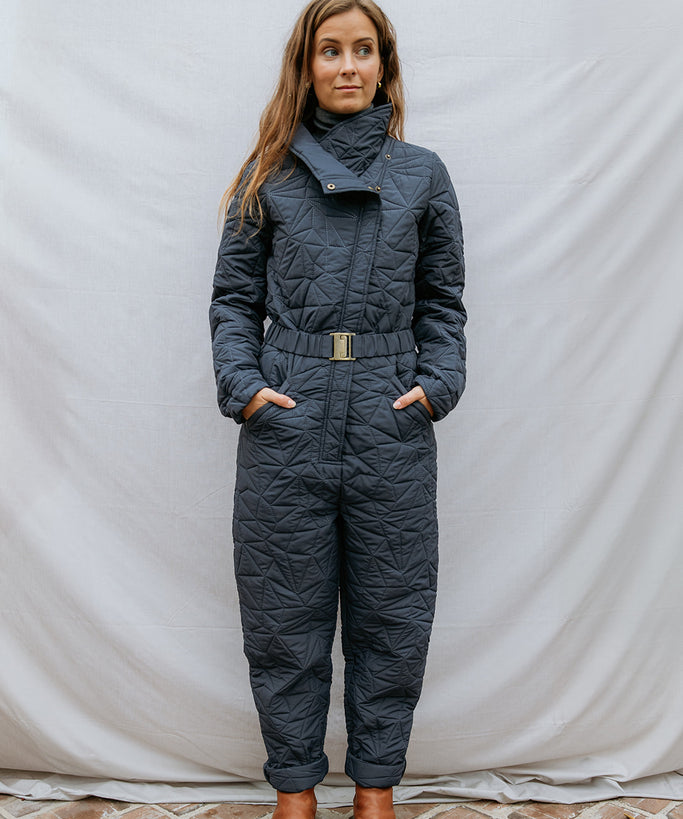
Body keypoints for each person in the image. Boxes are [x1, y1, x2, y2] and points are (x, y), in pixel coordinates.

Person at [209, 1, 466, 817]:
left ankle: (374, 789)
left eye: (362, 50)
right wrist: (247, 388)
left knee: (393, 607)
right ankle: (294, 790)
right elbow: (232, 300)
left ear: (383, 64)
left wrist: (437, 383)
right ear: (307, 64)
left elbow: (443, 301)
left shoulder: (422, 173)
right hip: (290, 407)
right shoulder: (267, 172)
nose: (347, 66)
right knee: (282, 610)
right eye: (330, 50)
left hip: (390, 410)